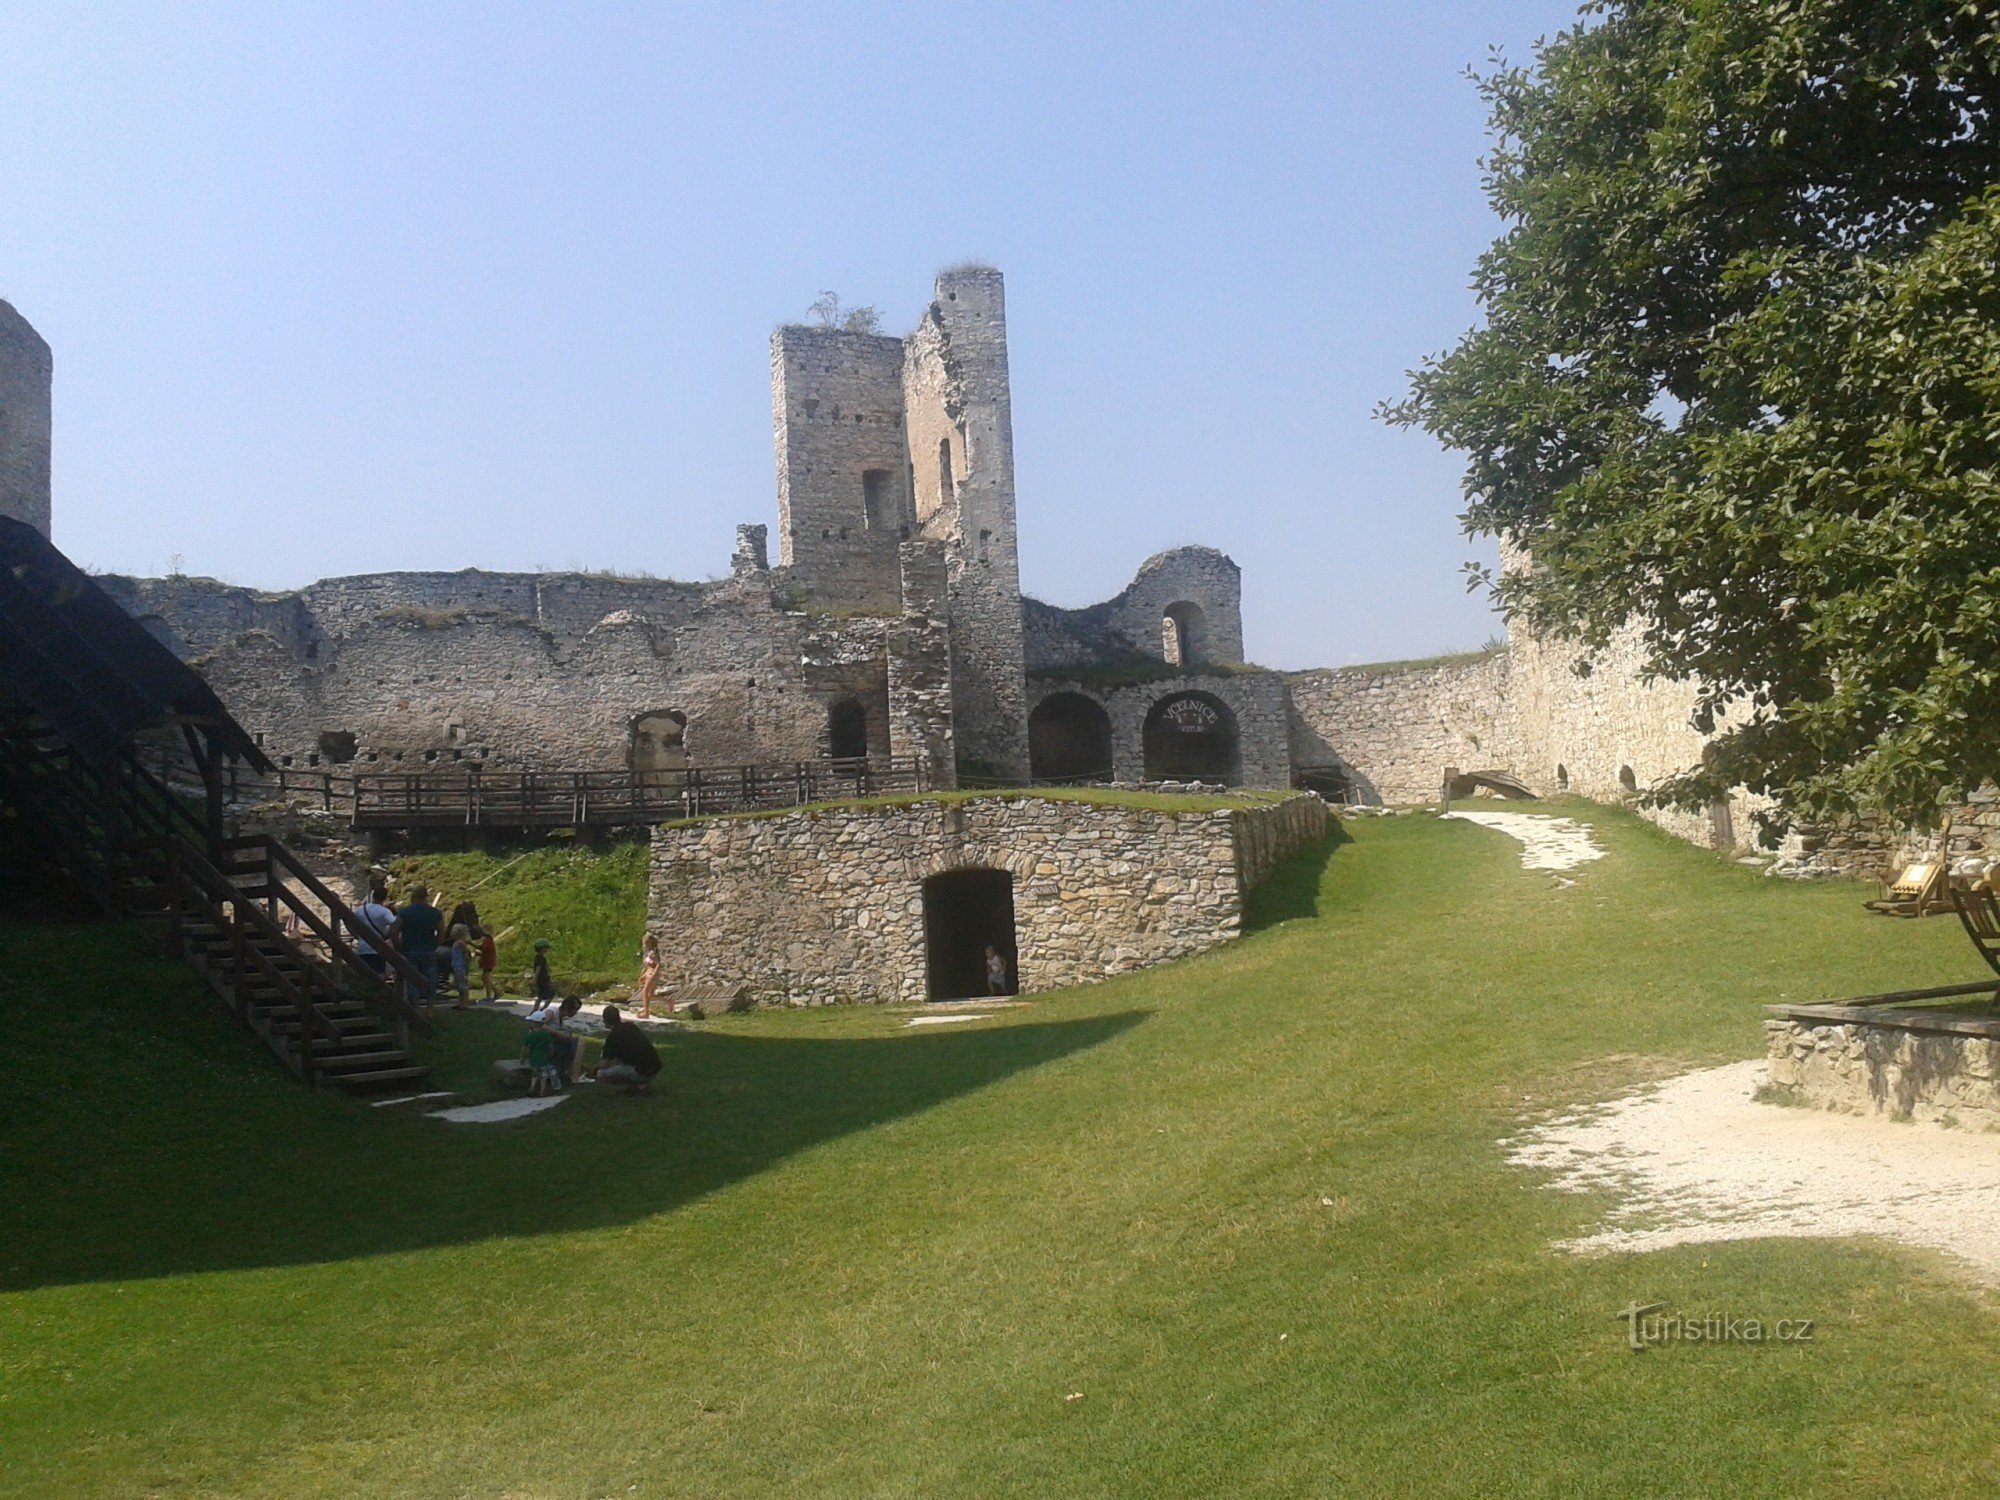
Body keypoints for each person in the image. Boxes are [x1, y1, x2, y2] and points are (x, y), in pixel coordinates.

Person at [390, 884, 444, 1009]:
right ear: (426, 897)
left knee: (412, 980)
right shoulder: (435, 913)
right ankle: (430, 1009)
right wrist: (436, 944)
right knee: (430, 979)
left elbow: (393, 931)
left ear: (412, 896)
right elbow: (441, 930)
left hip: (409, 950)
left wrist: (398, 946)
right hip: (428, 950)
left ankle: (415, 1008)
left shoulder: (404, 912)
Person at [594, 1005, 662, 1094]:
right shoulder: (631, 1026)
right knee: (621, 1062)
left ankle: (637, 1085)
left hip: (641, 1071)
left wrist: (593, 1069)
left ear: (605, 1020)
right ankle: (640, 1085)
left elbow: (605, 1064)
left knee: (600, 1075)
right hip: (654, 1068)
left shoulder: (613, 1036)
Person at [352, 884, 397, 977]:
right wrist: (388, 934)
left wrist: (355, 934)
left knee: (364, 976)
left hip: (362, 948)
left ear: (373, 896)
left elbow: (348, 920)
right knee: (379, 975)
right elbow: (395, 924)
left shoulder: (360, 910)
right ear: (385, 898)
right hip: (378, 949)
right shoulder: (384, 911)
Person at [522, 1018, 560, 1096]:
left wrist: (522, 1057)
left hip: (533, 1059)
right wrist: (551, 1054)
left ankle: (532, 1087)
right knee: (543, 1076)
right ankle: (542, 1091)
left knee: (535, 1074)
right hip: (543, 1059)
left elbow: (524, 1047)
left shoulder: (530, 1035)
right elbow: (550, 1046)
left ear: (534, 1024)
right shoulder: (546, 1035)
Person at [447, 923, 473, 1009]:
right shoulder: (457, 942)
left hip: (461, 967)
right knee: (459, 985)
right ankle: (460, 1002)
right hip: (456, 966)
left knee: (463, 985)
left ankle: (465, 1003)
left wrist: (467, 965)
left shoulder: (460, 943)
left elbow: (465, 954)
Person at [638, 932, 662, 1018]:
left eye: (644, 943)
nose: (643, 945)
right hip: (647, 974)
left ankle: (646, 1013)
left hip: (651, 975)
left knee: (645, 992)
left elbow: (658, 965)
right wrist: (643, 975)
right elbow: (647, 966)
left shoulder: (653, 953)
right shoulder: (648, 953)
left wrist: (653, 975)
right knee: (650, 995)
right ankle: (669, 1001)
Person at [477, 924, 499, 1002]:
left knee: (487, 978)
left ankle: (490, 995)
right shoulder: (488, 940)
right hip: (487, 961)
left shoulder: (488, 940)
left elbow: (484, 949)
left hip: (488, 962)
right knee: (485, 978)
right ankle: (495, 992)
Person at [532, 939, 556, 1005]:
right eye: (546, 948)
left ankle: (536, 1010)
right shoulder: (540, 958)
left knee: (541, 996)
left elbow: (544, 967)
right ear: (542, 948)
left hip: (543, 979)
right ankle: (542, 1009)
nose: (547, 949)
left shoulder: (539, 957)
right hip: (543, 980)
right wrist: (535, 978)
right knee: (550, 994)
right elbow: (538, 969)